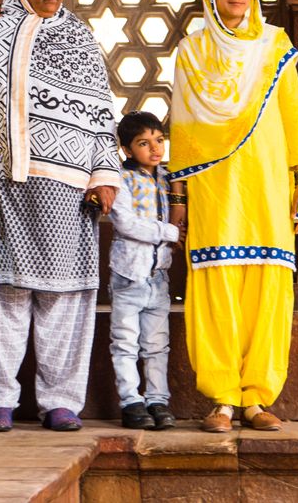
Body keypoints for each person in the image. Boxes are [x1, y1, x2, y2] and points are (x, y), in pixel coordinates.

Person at [0, 0, 123, 432]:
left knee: (65, 297)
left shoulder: (81, 39)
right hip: (7, 187)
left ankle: (61, 401)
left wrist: (104, 175)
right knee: (6, 294)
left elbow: (102, 114)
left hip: (71, 191)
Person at [168, 0, 298, 433]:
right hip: (215, 186)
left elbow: (294, 115)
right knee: (216, 282)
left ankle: (257, 397)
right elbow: (185, 133)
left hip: (268, 184)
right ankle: (222, 399)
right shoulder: (191, 52)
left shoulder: (275, 45)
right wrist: (181, 196)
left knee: (268, 283)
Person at [108, 111, 181, 431]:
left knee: (156, 343)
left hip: (158, 276)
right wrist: (169, 233)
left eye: (159, 140)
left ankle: (157, 400)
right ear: (126, 149)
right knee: (125, 342)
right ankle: (130, 402)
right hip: (128, 275)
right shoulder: (120, 179)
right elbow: (125, 223)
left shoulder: (169, 178)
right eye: (143, 143)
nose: (154, 148)